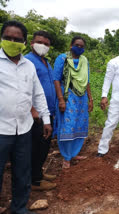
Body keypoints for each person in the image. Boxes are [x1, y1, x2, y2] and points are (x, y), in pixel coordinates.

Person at [0, 20, 52, 214]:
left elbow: (37, 94)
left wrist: (46, 120)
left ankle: (19, 208)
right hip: (1, 130)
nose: (12, 41)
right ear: (2, 38)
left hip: (24, 128)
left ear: (24, 42)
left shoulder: (29, 66)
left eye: (17, 39)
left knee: (22, 172)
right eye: (8, 38)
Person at [53, 36, 93, 169]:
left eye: (82, 46)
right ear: (71, 45)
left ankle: (74, 153)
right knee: (67, 126)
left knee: (79, 125)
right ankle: (66, 157)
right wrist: (60, 100)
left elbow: (87, 80)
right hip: (67, 96)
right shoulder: (62, 59)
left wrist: (90, 99)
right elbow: (56, 79)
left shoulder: (84, 60)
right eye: (77, 45)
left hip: (81, 98)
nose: (79, 48)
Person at [25, 31, 57, 191]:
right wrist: (33, 109)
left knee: (44, 145)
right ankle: (35, 180)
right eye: (39, 42)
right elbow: (24, 88)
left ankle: (38, 172)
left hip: (47, 111)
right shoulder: (28, 61)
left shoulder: (45, 62)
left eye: (46, 44)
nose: (43, 46)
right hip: (35, 114)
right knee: (37, 146)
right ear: (31, 43)